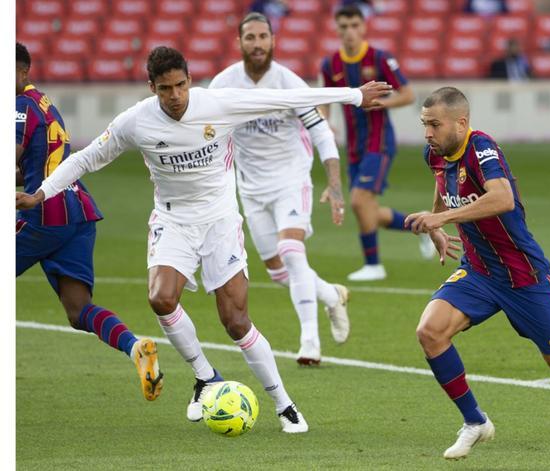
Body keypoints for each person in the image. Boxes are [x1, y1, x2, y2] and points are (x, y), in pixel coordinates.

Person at [16, 46, 390, 432]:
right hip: (173, 220)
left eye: (180, 85)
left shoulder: (218, 104)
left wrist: (353, 95)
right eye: (165, 89)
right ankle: (205, 377)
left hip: (220, 221)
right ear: (151, 87)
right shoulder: (135, 122)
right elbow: (85, 158)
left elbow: (286, 97)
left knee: (235, 322)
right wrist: (41, 193)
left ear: (190, 81)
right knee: (160, 298)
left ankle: (284, 403)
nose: (175, 96)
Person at [405, 87, 550, 463]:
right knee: (430, 331)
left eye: (434, 125)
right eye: (424, 125)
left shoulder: (482, 148)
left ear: (461, 123)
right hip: (479, 272)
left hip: (523, 276)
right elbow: (442, 183)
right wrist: (436, 223)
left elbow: (503, 199)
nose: (428, 133)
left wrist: (442, 217)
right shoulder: (434, 154)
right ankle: (475, 422)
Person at [15, 42, 163, 403]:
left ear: (21, 72)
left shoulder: (18, 108)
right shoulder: (44, 104)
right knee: (78, 309)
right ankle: (134, 347)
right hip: (76, 211)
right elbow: (37, 164)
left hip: (44, 214)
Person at [209, 13, 350, 365]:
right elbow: (205, 129)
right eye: (250, 37)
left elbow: (320, 132)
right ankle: (331, 294)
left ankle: (310, 342)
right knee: (277, 271)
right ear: (239, 43)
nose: (257, 44)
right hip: (252, 189)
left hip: (291, 180)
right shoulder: (224, 84)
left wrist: (334, 184)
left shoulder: (290, 84)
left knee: (291, 251)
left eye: (263, 37)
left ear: (273, 40)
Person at [320, 5, 434, 282]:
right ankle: (423, 226)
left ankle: (374, 265)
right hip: (354, 146)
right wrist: (324, 121)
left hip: (379, 141)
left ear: (363, 27)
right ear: (337, 28)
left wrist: (383, 103)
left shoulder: (380, 58)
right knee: (367, 208)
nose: (349, 31)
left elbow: (407, 94)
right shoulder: (330, 64)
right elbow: (324, 99)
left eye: (354, 25)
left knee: (359, 200)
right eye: (344, 26)